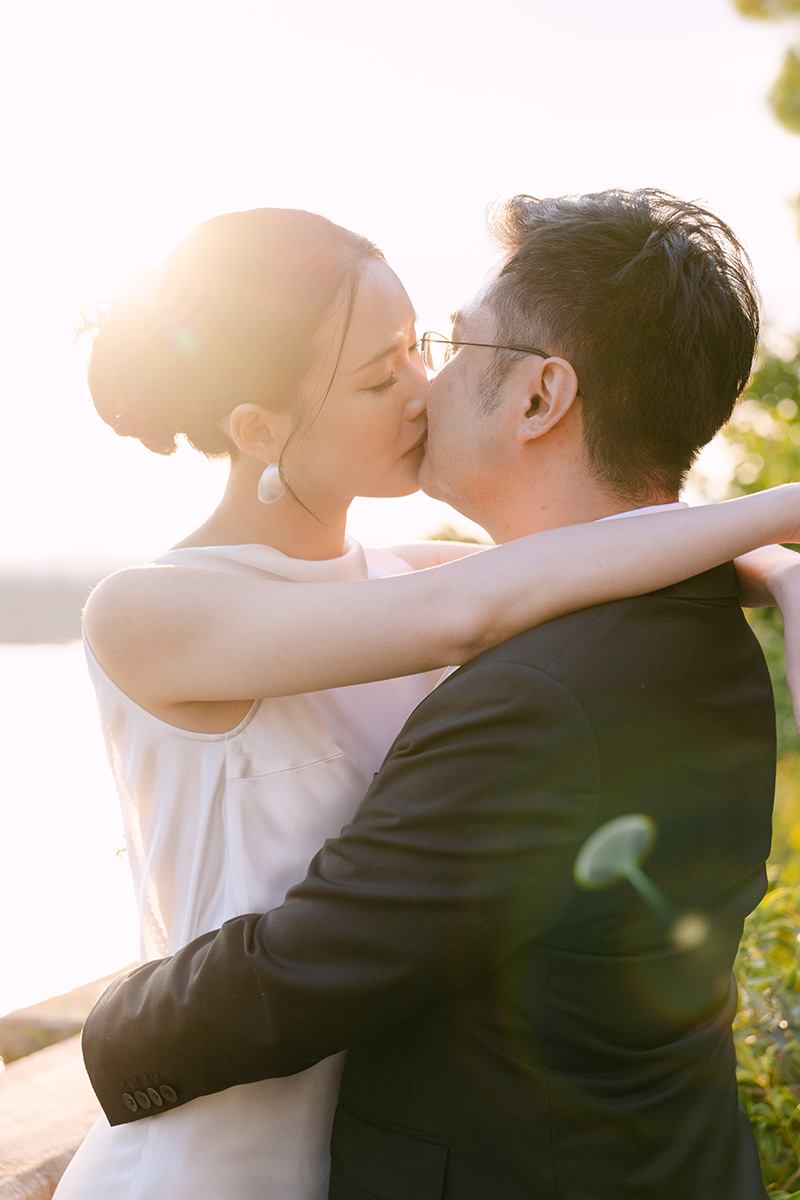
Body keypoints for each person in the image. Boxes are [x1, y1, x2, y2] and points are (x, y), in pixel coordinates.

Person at [73, 194, 797, 1200]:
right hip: (220, 1137)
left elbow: (530, 576)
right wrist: (768, 528)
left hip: (326, 1109)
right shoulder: (162, 609)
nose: (420, 388)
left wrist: (774, 561)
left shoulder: (439, 602)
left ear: (540, 399)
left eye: (434, 347)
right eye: (386, 371)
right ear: (259, 425)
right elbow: (482, 597)